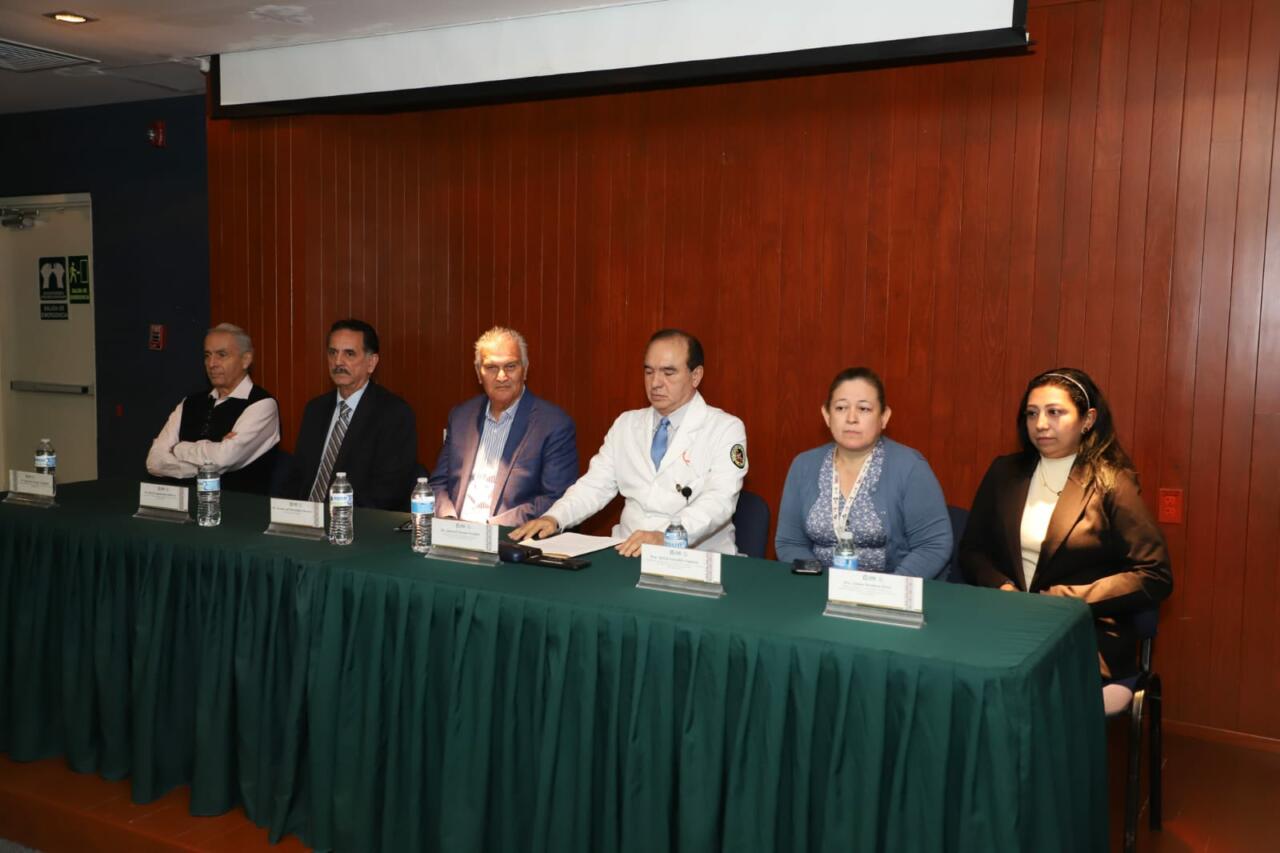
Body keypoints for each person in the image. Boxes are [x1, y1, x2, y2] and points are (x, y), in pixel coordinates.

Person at [958, 368, 1172, 708]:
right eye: (1032, 413)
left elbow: (1154, 574)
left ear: (1088, 420)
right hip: (1007, 623)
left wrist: (1063, 600)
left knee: (1030, 700)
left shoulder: (1112, 482)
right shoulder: (1005, 472)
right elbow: (972, 551)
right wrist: (1003, 589)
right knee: (960, 686)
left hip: (1084, 631)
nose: (1041, 424)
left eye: (1055, 412)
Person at [512, 329, 747, 556]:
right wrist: (555, 517)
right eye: (649, 372)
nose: (655, 383)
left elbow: (719, 500)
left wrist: (666, 536)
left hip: (696, 558)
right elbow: (595, 486)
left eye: (668, 373)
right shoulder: (626, 424)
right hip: (627, 552)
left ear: (695, 376)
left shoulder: (725, 429)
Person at [774, 367, 952, 576]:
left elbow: (933, 545)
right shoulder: (804, 465)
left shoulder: (910, 467)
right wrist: (817, 582)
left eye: (864, 409)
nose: (851, 418)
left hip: (891, 587)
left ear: (884, 417)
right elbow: (790, 542)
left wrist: (888, 589)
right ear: (827, 415)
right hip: (818, 585)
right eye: (841, 408)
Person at [429, 326, 578, 526]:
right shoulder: (461, 416)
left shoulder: (553, 424)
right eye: (491, 368)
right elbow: (438, 483)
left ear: (525, 370)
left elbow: (556, 498)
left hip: (509, 535)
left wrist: (489, 528)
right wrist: (449, 520)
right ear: (479, 373)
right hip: (455, 531)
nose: (501, 376)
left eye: (510, 366)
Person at [279, 319, 418, 510]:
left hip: (355, 520)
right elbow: (297, 476)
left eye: (349, 354)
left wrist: (332, 517)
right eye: (332, 352)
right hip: (302, 516)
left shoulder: (394, 414)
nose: (338, 362)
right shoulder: (315, 409)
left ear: (371, 363)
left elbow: (387, 492)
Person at [146, 323, 280, 493]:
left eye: (221, 355)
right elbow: (154, 462)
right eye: (207, 355)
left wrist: (177, 448)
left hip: (237, 505)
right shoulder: (189, 402)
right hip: (181, 503)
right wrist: (210, 460)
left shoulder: (262, 404)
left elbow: (223, 458)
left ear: (246, 360)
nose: (211, 363)